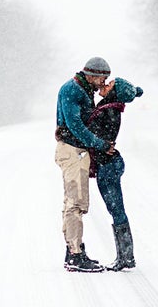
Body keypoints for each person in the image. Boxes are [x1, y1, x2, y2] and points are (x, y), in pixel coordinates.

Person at [55, 57, 115, 272]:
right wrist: (99, 144)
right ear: (91, 75)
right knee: (76, 203)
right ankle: (75, 256)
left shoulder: (82, 89)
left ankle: (73, 249)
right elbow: (75, 125)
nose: (103, 82)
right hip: (72, 151)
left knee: (74, 202)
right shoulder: (73, 90)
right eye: (102, 78)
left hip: (76, 151)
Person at [86, 77, 143, 271]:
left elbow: (94, 137)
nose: (104, 85)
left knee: (116, 210)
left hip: (109, 166)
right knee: (115, 209)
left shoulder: (109, 111)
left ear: (114, 92)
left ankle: (126, 257)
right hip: (108, 165)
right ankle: (125, 256)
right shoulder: (108, 108)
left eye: (109, 85)